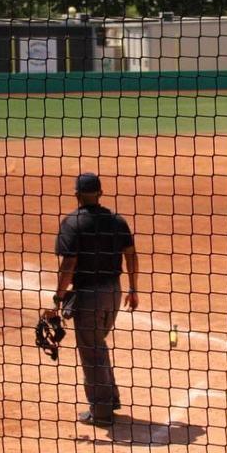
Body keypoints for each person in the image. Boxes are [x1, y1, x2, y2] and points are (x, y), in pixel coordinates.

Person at [53, 172, 139, 427]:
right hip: (113, 293)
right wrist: (133, 289)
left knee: (91, 351)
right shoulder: (117, 221)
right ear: (100, 193)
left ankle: (101, 412)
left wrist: (57, 299)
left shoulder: (73, 223)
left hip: (88, 296)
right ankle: (110, 398)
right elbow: (131, 255)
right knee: (98, 345)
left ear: (77, 195)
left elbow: (69, 264)